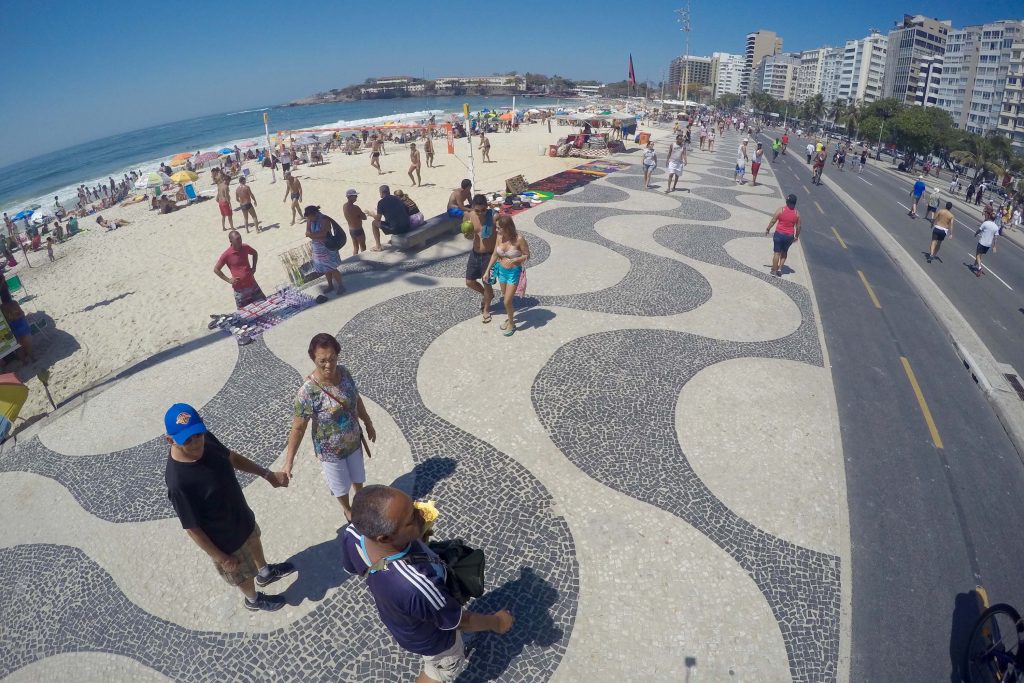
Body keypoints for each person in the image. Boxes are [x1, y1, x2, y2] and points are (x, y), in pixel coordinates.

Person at [340, 485, 515, 683]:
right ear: (386, 537)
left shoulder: (353, 532)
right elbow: (460, 621)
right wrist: (497, 622)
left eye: (414, 507)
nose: (421, 514)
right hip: (436, 639)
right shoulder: (418, 585)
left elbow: (355, 568)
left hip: (405, 620)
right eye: (411, 519)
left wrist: (415, 536)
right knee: (440, 669)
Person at [163, 403, 294, 613]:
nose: (196, 443)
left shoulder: (206, 440)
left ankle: (265, 572)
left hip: (241, 515)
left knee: (254, 539)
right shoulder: (178, 483)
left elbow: (231, 457)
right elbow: (192, 529)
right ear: (170, 440)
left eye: (197, 435)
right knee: (242, 574)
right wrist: (221, 557)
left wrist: (267, 475)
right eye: (187, 440)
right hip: (225, 541)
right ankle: (253, 600)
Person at [283, 333, 376, 522]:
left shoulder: (344, 373)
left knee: (358, 477)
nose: (328, 365)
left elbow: (356, 399)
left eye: (332, 359)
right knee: (340, 486)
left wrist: (368, 422)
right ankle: (348, 511)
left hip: (353, 441)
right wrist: (288, 462)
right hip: (330, 451)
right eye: (322, 361)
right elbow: (298, 428)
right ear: (313, 359)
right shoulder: (307, 392)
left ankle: (360, 503)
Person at [485, 215, 530, 337]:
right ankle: (510, 317)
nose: (496, 230)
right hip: (501, 271)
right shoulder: (499, 237)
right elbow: (495, 254)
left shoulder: (519, 239)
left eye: (499, 228)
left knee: (507, 301)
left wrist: (516, 259)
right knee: (505, 297)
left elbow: (527, 255)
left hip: (513, 272)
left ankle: (512, 323)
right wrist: (487, 270)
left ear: (507, 228)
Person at [464, 194, 497, 323]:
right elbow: (470, 237)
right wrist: (468, 235)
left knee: (487, 283)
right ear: (473, 208)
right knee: (469, 282)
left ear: (487, 207)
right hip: (475, 253)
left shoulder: (494, 217)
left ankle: (486, 309)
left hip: (489, 255)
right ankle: (487, 295)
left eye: (483, 210)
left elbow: (502, 236)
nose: (481, 213)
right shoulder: (468, 216)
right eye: (477, 210)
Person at [214, 230, 265, 308]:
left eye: (240, 238)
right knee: (245, 314)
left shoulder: (245, 247)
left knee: (264, 306)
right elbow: (216, 269)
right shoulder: (227, 254)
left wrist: (254, 267)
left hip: (252, 284)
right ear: (231, 241)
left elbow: (255, 253)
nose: (240, 240)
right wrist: (229, 280)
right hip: (240, 290)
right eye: (237, 239)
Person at [304, 205, 345, 295]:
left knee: (332, 268)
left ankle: (340, 285)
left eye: (310, 217)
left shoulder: (324, 220)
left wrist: (311, 235)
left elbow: (324, 233)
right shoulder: (310, 218)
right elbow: (307, 231)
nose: (309, 219)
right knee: (325, 268)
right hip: (318, 248)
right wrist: (311, 234)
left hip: (327, 247)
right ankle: (330, 285)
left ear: (314, 214)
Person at [765, 194, 801, 278]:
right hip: (789, 236)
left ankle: (774, 270)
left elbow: (773, 220)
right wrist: (796, 236)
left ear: (787, 201)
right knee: (784, 252)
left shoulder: (781, 210)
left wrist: (768, 228)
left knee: (776, 253)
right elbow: (799, 227)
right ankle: (780, 269)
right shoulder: (797, 213)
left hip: (779, 235)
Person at [368, 185, 411, 251]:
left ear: (381, 192)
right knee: (396, 220)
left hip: (397, 229)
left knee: (374, 223)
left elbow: (378, 219)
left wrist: (372, 214)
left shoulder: (381, 202)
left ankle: (378, 246)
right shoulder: (397, 198)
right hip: (407, 226)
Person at [971, 206, 1000, 276]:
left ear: (990, 216)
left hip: (982, 242)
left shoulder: (986, 223)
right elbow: (996, 238)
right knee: (980, 255)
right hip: (988, 245)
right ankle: (974, 265)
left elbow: (979, 230)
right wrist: (994, 246)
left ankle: (980, 268)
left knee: (978, 254)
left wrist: (975, 234)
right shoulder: (996, 227)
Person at [342, 189, 368, 255]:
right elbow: (364, 217)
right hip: (358, 229)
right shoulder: (356, 207)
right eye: (355, 196)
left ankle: (354, 262)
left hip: (351, 229)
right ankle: (364, 263)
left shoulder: (344, 206)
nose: (356, 197)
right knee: (363, 247)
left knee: (356, 248)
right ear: (350, 197)